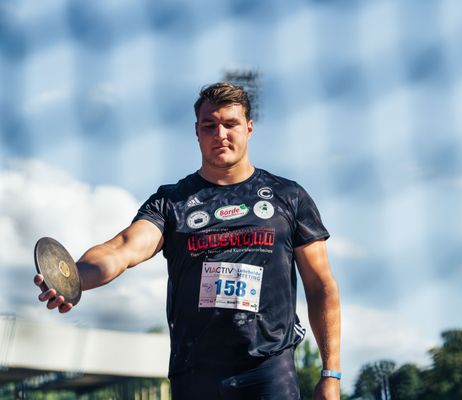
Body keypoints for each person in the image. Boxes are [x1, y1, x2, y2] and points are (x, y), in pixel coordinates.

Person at [34, 82, 341, 399]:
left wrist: (331, 373)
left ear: (249, 128)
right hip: (194, 374)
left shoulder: (288, 197)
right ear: (197, 131)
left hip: (267, 370)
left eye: (230, 124)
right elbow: (122, 248)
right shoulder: (172, 202)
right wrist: (74, 277)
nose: (220, 134)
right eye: (210, 125)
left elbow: (321, 285)